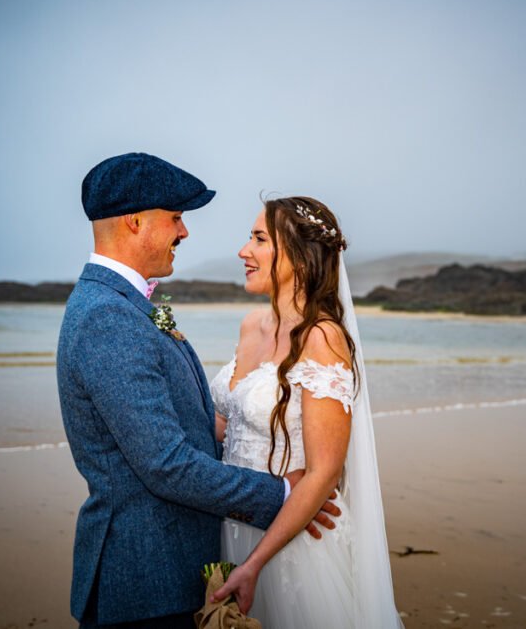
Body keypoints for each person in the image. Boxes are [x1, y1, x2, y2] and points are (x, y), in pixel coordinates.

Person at [56, 154, 335, 629]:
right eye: (176, 218)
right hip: (145, 583)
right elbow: (166, 465)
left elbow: (193, 430)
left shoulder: (124, 306)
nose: (184, 232)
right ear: (135, 221)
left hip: (172, 569)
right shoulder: (109, 317)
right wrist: (284, 492)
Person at [210, 196, 404, 627]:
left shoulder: (323, 338)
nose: (244, 251)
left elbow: (323, 472)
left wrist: (254, 564)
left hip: (292, 544)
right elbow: (222, 430)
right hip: (233, 526)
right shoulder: (250, 326)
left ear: (298, 256)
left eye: (259, 238)